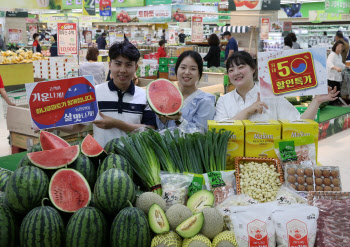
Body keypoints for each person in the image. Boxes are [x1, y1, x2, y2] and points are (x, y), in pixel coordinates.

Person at [60, 41, 156, 147]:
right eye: (118, 64)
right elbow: (78, 126)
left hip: (134, 160)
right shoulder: (93, 93)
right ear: (110, 65)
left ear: (136, 68)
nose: (123, 70)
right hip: (102, 159)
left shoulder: (145, 96)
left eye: (128, 65)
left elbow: (150, 130)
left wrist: (117, 124)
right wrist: (52, 125)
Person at [214, 51, 339, 122]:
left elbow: (299, 124)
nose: (236, 73)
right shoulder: (224, 101)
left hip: (269, 162)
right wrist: (247, 111)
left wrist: (316, 101)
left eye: (241, 67)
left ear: (253, 69)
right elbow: (221, 130)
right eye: (231, 70)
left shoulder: (271, 95)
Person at [157, 50, 216, 131]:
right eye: (183, 67)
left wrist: (179, 119)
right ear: (176, 70)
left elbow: (200, 133)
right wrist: (162, 118)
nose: (187, 72)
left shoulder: (205, 101)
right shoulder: (168, 97)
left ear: (199, 73)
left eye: (193, 69)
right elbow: (161, 130)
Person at [327, 40, 347, 105]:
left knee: (337, 89)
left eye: (341, 47)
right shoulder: (332, 54)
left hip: (337, 76)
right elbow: (329, 63)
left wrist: (346, 66)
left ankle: (336, 101)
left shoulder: (339, 55)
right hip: (331, 77)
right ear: (335, 47)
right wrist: (336, 68)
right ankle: (332, 102)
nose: (340, 48)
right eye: (339, 46)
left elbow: (340, 64)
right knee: (332, 89)